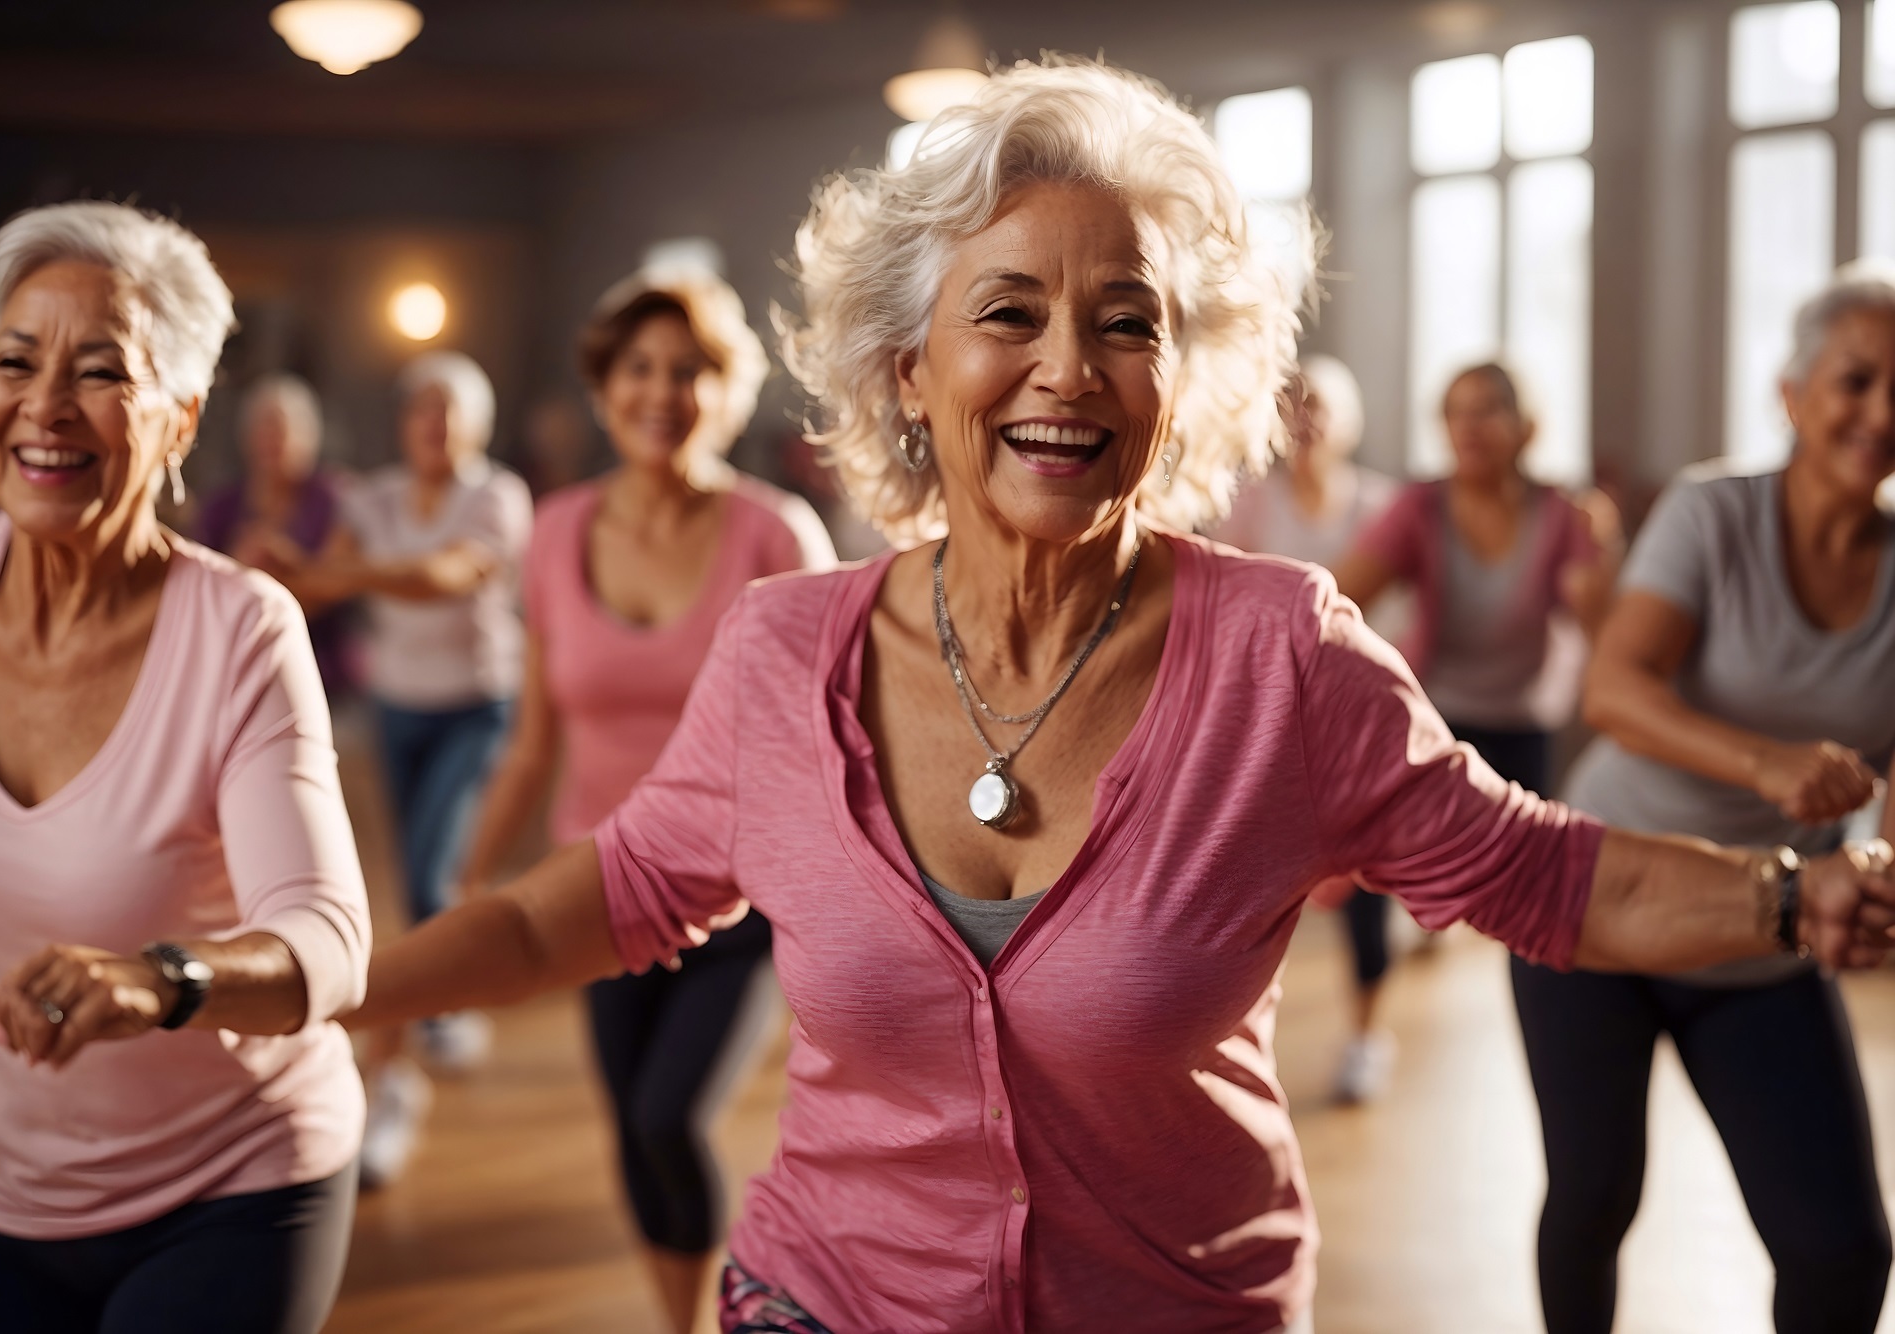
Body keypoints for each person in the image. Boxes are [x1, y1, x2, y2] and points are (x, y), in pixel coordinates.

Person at [344, 59, 1895, 1333]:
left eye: (1128, 321)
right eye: (1008, 311)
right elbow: (591, 903)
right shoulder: (782, 651)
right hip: (829, 1299)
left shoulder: (1285, 654)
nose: (1069, 368)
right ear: (906, 365)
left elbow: (1554, 875)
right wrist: (320, 991)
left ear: (1180, 375)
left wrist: (1794, 898)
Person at [0, 201, 370, 1333]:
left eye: (100, 371)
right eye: (15, 360)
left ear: (181, 417)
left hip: (232, 1187)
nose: (45, 405)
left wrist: (161, 980)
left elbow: (326, 938)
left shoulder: (240, 628)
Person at [455, 265, 835, 1329]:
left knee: (669, 1114)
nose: (661, 392)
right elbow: (533, 740)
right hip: (602, 893)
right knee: (629, 1120)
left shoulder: (776, 536)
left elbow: (828, 742)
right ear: (602, 384)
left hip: (740, 900)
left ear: (725, 389)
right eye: (639, 368)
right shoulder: (556, 529)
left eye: (690, 370)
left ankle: (724, 1307)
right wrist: (471, 877)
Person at [1523, 263, 1895, 1334]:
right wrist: (1765, 763)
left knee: (1839, 1248)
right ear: (1789, 392)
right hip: (1598, 895)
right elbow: (1614, 686)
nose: (1877, 413)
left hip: (1758, 929)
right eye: (1853, 380)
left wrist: (1873, 872)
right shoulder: (1711, 511)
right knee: (1593, 1195)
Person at [259, 350, 532, 1187]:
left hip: (478, 707)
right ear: (405, 422)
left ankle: (395, 1084)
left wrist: (335, 571)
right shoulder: (369, 498)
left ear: (478, 427)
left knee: (424, 875)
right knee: (417, 882)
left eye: (453, 413)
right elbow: (314, 590)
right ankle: (442, 1003)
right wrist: (267, 569)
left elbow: (443, 577)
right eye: (424, 411)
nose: (436, 427)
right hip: (398, 709)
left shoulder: (496, 496)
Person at [1211, 354, 1411, 1103]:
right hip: (1270, 720)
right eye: (1292, 402)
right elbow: (1225, 598)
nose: (1306, 416)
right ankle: (1237, 1033)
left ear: (1348, 420)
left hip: (1357, 720)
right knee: (1253, 886)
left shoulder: (1383, 506)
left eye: (1320, 404)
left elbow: (1407, 614)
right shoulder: (1252, 503)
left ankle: (1366, 1035)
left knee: (1364, 888)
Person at [1335, 362, 1617, 798]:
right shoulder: (1418, 507)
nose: (1467, 427)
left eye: (1486, 410)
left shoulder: (1566, 515)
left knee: (1522, 854)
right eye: (1453, 412)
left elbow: (1606, 637)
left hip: (1525, 723)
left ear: (1526, 427)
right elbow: (1338, 602)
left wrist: (1603, 558)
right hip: (1432, 713)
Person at [196, 373, 353, 694]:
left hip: (324, 674)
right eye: (264, 429)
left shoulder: (335, 498)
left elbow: (342, 581)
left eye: (284, 430)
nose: (274, 441)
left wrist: (277, 564)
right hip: (241, 676)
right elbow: (200, 595)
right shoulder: (221, 507)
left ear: (310, 437)